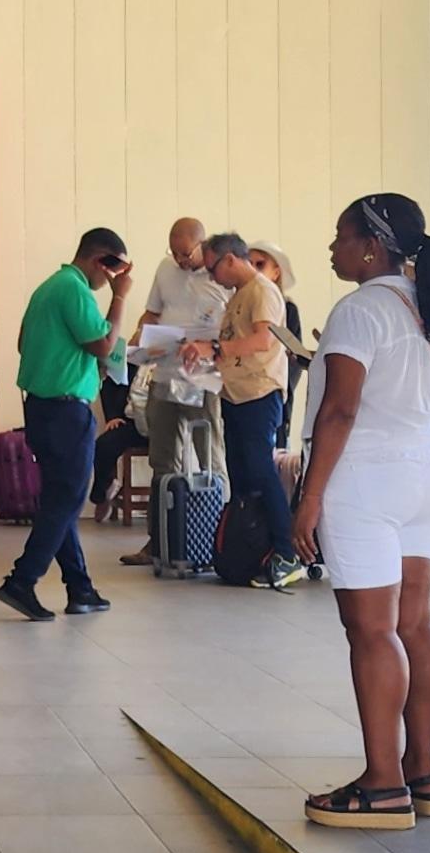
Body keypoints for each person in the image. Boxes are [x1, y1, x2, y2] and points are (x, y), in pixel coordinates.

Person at [290, 193, 430, 830]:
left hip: (364, 477)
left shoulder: (359, 310)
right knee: (416, 622)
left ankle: (383, 784)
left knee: (372, 631)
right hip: (424, 471)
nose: (332, 248)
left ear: (371, 247)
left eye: (341, 236)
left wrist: (310, 497)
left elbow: (340, 410)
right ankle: (423, 771)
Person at [0, 229, 128, 622]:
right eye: (113, 271)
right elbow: (103, 344)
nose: (111, 281)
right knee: (66, 499)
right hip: (66, 411)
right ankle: (22, 580)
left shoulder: (49, 287)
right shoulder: (75, 289)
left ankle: (80, 588)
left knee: (61, 498)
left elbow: (24, 343)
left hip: (41, 407)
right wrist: (121, 297)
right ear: (100, 260)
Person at [182, 234, 302, 588]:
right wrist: (205, 354)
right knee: (242, 478)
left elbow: (264, 340)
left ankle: (287, 553)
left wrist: (215, 347)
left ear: (231, 260)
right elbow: (233, 345)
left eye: (213, 269)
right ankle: (249, 551)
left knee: (262, 472)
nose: (212, 277)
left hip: (259, 394)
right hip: (234, 395)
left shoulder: (263, 291)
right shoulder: (237, 297)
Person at [128, 218, 230, 565]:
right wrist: (138, 339)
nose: (180, 260)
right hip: (166, 373)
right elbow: (152, 313)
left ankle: (219, 542)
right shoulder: (165, 268)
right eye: (174, 253)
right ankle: (159, 542)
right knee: (162, 460)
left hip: (206, 379)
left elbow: (234, 328)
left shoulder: (220, 275)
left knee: (211, 459)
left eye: (186, 254)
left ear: (203, 245)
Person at [248, 241, 309, 450]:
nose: (254, 270)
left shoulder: (287, 309)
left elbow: (295, 358)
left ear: (276, 272)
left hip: (271, 393)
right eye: (249, 264)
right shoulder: (237, 306)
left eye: (260, 264)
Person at [89, 371, 146, 523]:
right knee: (104, 445)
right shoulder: (126, 362)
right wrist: (112, 416)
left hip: (161, 424)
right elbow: (108, 381)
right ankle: (102, 494)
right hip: (131, 422)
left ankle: (164, 503)